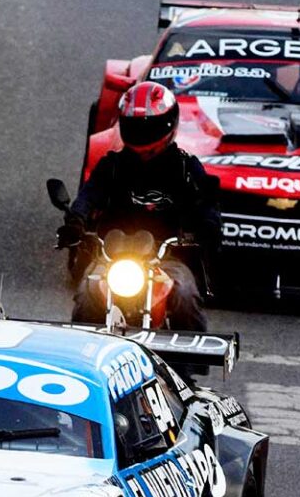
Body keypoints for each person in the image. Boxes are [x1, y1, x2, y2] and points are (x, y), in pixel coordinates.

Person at [59, 81, 218, 331]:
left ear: (169, 124)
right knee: (87, 292)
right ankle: (82, 354)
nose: (143, 133)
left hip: (166, 257)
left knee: (185, 295)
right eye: (136, 126)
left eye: (150, 126)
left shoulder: (186, 168)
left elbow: (206, 203)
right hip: (112, 256)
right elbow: (89, 195)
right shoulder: (111, 165)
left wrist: (207, 225)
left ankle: (188, 366)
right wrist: (76, 220)